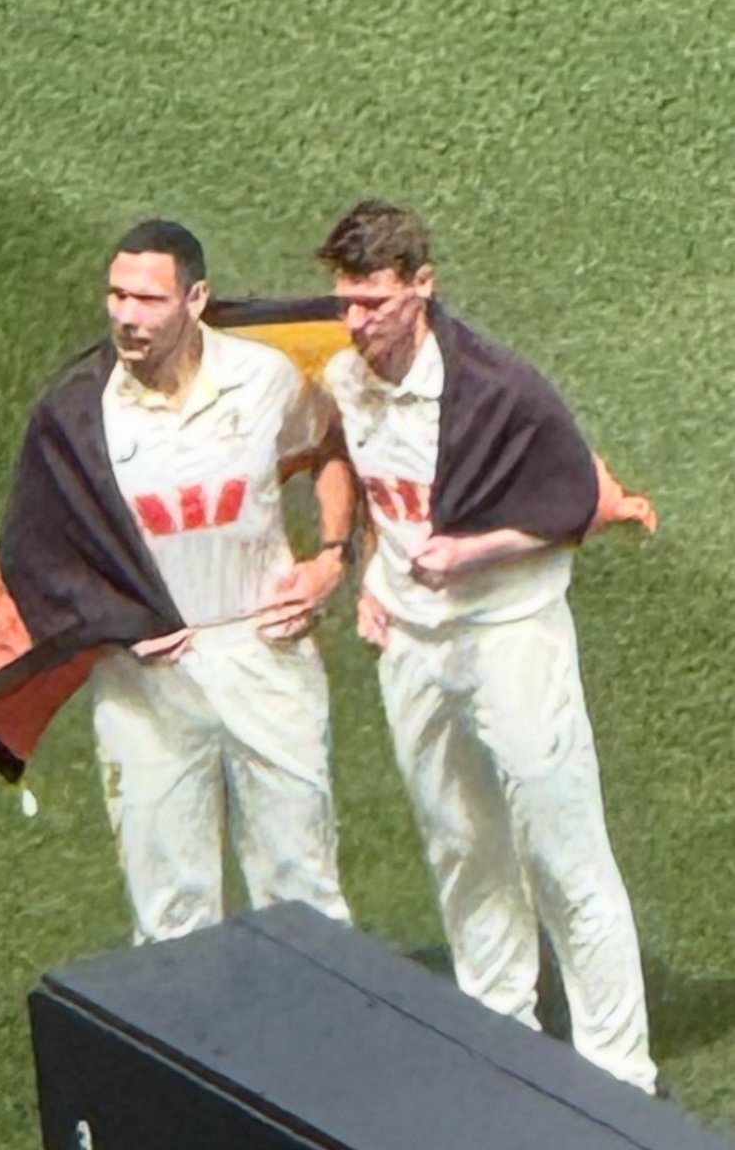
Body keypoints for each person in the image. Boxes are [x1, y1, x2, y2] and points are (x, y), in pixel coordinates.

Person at [316, 199, 658, 1094]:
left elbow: (574, 503)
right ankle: (499, 1030)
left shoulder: (500, 390)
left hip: (511, 637)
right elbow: (374, 487)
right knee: (460, 841)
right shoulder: (347, 379)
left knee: (561, 848)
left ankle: (618, 1069)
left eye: (373, 303)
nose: (355, 323)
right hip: (413, 644)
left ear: (421, 287)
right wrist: (369, 579)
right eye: (346, 302)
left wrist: (471, 551)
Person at [0, 218, 355, 945]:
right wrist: (115, 622)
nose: (126, 315)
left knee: (303, 891)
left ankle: (317, 1022)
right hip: (144, 682)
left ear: (196, 299)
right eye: (116, 295)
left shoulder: (264, 377)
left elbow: (329, 447)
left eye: (148, 299)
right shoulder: (78, 412)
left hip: (264, 653)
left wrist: (332, 556)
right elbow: (36, 552)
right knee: (170, 915)